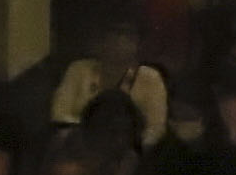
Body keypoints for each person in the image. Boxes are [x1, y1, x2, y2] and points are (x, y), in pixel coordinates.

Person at [48, 19, 169, 147]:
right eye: (113, 36)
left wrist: (134, 147)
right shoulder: (79, 69)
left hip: (129, 152)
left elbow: (156, 128)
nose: (118, 43)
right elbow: (59, 113)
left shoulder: (150, 77)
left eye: (127, 37)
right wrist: (91, 134)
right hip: (81, 147)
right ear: (99, 42)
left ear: (137, 44)